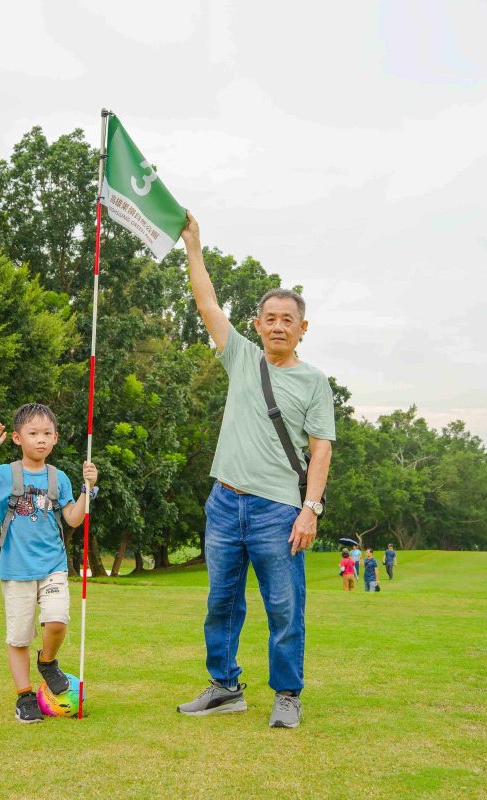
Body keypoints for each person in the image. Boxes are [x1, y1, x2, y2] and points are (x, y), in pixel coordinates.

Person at [174, 212, 335, 730]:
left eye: (289, 319)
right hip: (224, 503)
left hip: (278, 511)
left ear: (302, 328)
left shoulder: (313, 382)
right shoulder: (242, 358)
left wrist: (310, 509)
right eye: (270, 318)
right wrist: (193, 247)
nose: (279, 326)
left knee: (285, 609)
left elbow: (321, 450)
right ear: (258, 324)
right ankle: (224, 687)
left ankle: (287, 694)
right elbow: (206, 304)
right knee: (221, 605)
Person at [0, 403, 99, 723]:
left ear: (56, 438)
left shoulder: (58, 477)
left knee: (57, 620)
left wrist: (88, 489)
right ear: (18, 438)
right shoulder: (2, 474)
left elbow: (73, 518)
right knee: (19, 637)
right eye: (33, 433)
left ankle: (47, 663)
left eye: (47, 433)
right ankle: (25, 696)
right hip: (16, 570)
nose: (41, 439)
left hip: (53, 565)